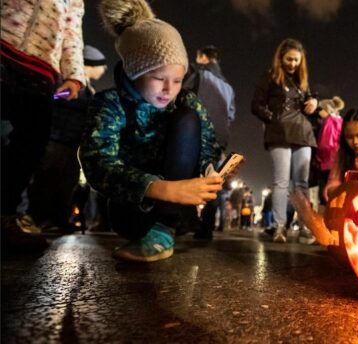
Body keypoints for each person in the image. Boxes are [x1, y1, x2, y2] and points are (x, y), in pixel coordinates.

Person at [79, 0, 222, 262]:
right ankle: (153, 231)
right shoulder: (110, 104)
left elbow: (208, 144)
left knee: (188, 118)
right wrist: (165, 189)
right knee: (131, 216)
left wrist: (209, 169)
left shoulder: (185, 101)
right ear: (135, 71)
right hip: (133, 207)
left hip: (178, 207)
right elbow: (98, 163)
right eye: (158, 78)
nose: (169, 89)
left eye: (177, 80)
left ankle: (168, 226)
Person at [1, 0, 86, 253]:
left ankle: (6, 215)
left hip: (41, 67)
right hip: (3, 49)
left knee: (32, 141)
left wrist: (73, 75)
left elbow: (72, 31)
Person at [24, 45, 108, 233]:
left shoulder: (89, 88)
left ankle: (59, 218)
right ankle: (37, 218)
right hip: (56, 139)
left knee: (66, 183)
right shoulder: (68, 82)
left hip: (72, 144)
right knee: (46, 181)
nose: (104, 70)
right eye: (101, 65)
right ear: (90, 64)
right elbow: (56, 97)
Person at [251, 38, 319, 243]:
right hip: (279, 133)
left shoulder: (302, 80)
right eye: (289, 59)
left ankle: (306, 227)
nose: (293, 64)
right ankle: (279, 226)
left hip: (303, 133)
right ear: (281, 57)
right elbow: (256, 105)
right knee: (281, 182)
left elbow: (311, 100)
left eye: (297, 60)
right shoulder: (270, 76)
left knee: (302, 183)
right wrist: (273, 119)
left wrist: (314, 102)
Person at [183, 46, 236, 239]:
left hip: (196, 130)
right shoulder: (228, 86)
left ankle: (186, 220)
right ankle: (206, 228)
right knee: (210, 178)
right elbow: (230, 115)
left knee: (187, 173)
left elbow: (184, 96)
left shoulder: (199, 75)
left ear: (202, 57)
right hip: (219, 137)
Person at [315, 96, 345, 212]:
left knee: (324, 194)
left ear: (326, 110)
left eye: (320, 110)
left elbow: (324, 144)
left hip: (327, 162)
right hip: (339, 162)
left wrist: (318, 157)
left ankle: (323, 222)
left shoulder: (329, 121)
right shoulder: (341, 121)